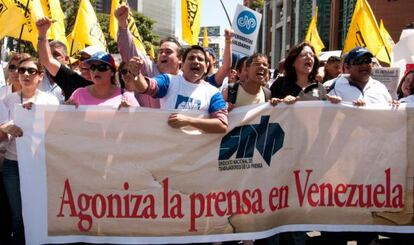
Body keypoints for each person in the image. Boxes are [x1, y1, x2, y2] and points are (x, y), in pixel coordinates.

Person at [0, 57, 59, 245]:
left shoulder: (50, 101)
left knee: (39, 213)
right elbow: (1, 138)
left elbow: (58, 132)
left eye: (31, 71)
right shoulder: (6, 101)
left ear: (40, 76)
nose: (25, 74)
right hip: (13, 166)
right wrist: (4, 128)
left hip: (41, 165)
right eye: (22, 70)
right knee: (18, 216)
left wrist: (36, 116)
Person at [129, 45, 228, 133]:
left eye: (200, 59)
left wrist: (189, 121)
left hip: (196, 152)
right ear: (182, 65)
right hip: (166, 149)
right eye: (191, 58)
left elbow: (222, 125)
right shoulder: (169, 80)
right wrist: (136, 74)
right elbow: (145, 87)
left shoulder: (213, 92)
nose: (195, 61)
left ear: (206, 67)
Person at [115, 4, 180, 108]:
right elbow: (129, 53)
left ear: (180, 59)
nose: (163, 54)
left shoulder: (185, 78)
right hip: (146, 123)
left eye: (168, 52)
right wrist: (122, 25)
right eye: (161, 51)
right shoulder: (148, 68)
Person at [36, 17, 103, 101]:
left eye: (89, 60)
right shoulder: (73, 80)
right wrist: (42, 33)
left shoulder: (116, 92)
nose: (83, 62)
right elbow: (47, 60)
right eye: (81, 58)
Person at [270, 42, 339, 105]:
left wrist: (335, 103)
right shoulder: (280, 83)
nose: (309, 57)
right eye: (303, 55)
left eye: (312, 55)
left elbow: (325, 115)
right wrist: (280, 102)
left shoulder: (319, 87)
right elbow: (266, 110)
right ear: (293, 62)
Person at [67, 52, 139, 107]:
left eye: (102, 67)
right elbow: (65, 121)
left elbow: (140, 123)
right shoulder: (79, 94)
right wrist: (67, 110)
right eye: (93, 67)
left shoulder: (126, 97)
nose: (96, 71)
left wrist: (130, 115)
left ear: (112, 72)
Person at [328, 47, 392, 106]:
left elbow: (389, 112)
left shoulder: (380, 87)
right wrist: (332, 104)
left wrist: (395, 105)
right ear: (347, 67)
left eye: (367, 61)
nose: (364, 65)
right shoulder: (336, 87)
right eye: (358, 61)